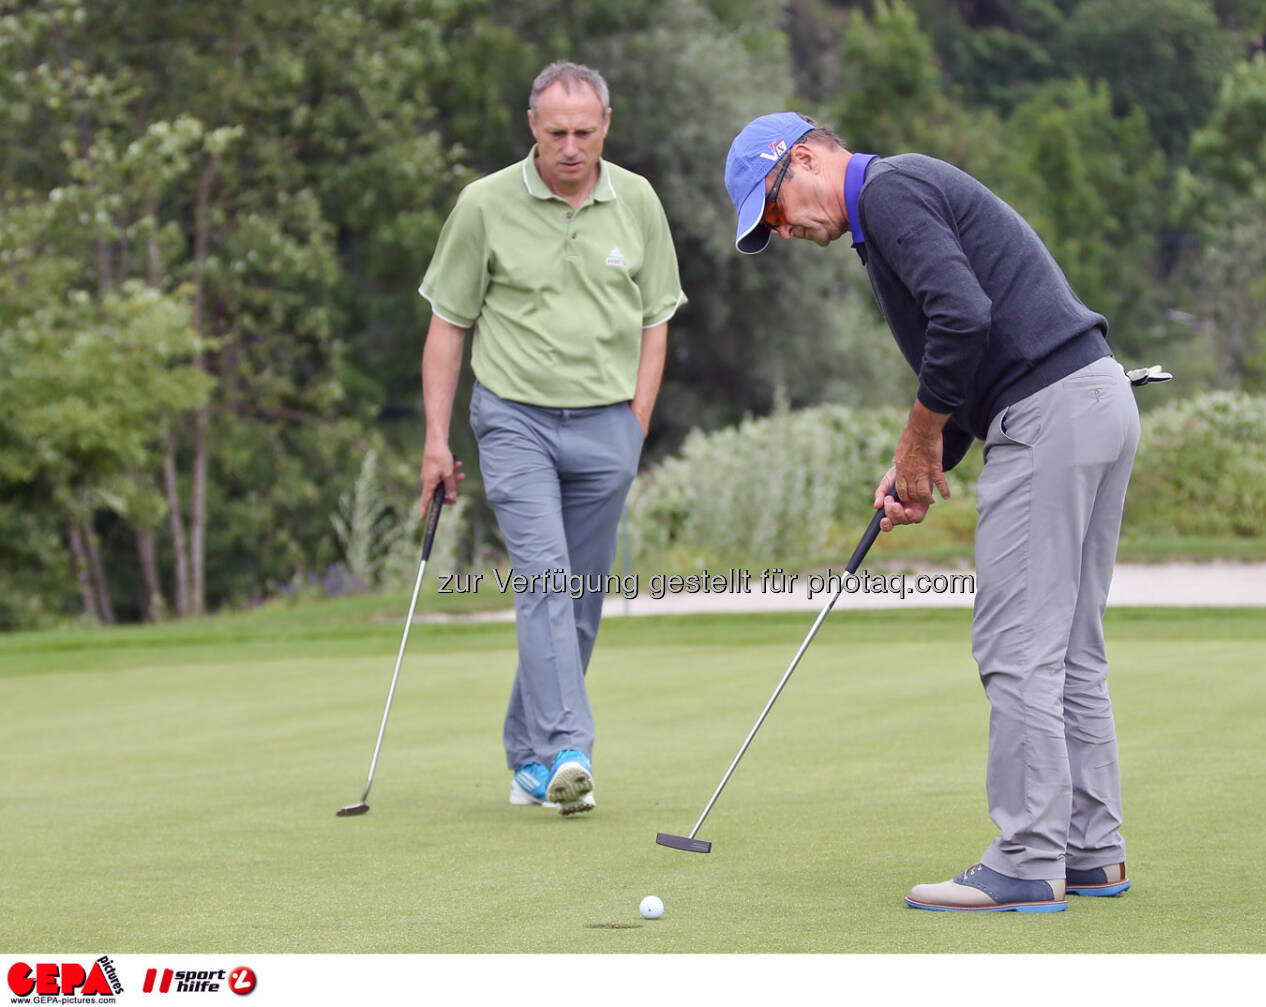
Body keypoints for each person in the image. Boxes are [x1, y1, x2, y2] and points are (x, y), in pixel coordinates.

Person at [724, 113, 1142, 911]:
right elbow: (975, 344)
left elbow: (963, 317)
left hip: (1051, 411)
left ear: (803, 157)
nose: (783, 230)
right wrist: (922, 464)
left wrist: (919, 438)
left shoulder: (889, 190)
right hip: (1094, 398)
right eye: (767, 226)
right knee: (1069, 647)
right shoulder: (890, 203)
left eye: (774, 208)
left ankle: (1026, 857)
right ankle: (1092, 852)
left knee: (1016, 642)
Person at [417, 61, 686, 816]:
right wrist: (437, 439)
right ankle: (570, 747)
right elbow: (448, 324)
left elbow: (656, 319)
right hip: (514, 421)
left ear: (606, 126)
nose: (571, 147)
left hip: (607, 425)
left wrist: (634, 424)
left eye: (585, 132)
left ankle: (528, 761)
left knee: (578, 601)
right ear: (532, 127)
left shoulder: (636, 200)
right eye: (556, 131)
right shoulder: (483, 204)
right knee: (543, 579)